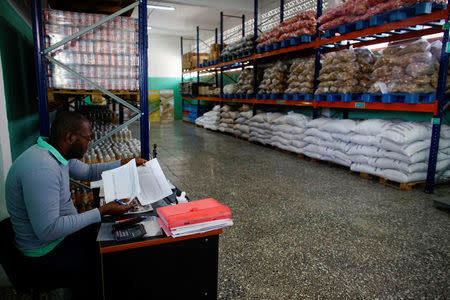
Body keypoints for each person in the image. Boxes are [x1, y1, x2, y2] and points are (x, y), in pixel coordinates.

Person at [5, 111, 147, 299]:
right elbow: (48, 230)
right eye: (88, 139)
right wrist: (102, 210)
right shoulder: (42, 169)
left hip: (60, 237)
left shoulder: (55, 152)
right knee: (107, 262)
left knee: (111, 237)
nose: (89, 144)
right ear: (70, 137)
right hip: (45, 253)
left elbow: (89, 172)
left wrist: (126, 163)